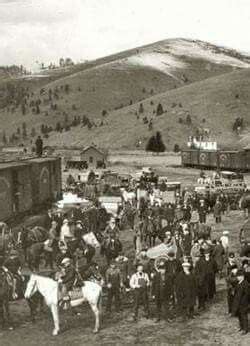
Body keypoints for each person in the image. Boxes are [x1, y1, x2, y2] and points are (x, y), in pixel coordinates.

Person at [232, 269, 250, 335]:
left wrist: (243, 301)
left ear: (243, 276)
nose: (237, 277)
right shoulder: (238, 283)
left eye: (239, 276)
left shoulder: (245, 284)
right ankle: (241, 327)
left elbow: (247, 294)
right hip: (238, 302)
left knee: (243, 316)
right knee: (239, 315)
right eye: (237, 276)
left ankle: (245, 329)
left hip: (243, 303)